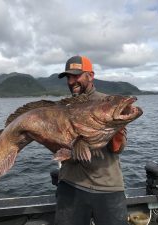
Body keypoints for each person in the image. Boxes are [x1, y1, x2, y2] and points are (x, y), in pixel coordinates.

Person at [55, 55, 129, 225]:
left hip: (107, 186)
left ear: (91, 75)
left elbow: (118, 149)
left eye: (77, 75)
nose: (72, 81)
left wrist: (115, 127)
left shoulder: (108, 102)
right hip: (70, 184)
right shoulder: (63, 107)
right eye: (68, 77)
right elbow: (58, 147)